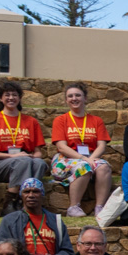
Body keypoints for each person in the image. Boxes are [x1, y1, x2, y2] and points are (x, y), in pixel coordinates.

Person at [0, 80, 47, 214]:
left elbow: (38, 152)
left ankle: (31, 200)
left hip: (25, 160)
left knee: (39, 163)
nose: (11, 98)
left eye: (14, 95)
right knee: (23, 161)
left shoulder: (31, 121)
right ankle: (11, 201)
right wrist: (13, 156)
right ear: (0, 98)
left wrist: (31, 157)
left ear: (19, 98)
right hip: (0, 163)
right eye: (7, 95)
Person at [50, 82, 113, 219]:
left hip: (90, 156)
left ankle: (100, 208)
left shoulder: (96, 120)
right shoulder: (61, 120)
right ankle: (73, 207)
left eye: (78, 95)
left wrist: (91, 158)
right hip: (66, 158)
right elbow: (61, 146)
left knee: (104, 167)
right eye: (70, 96)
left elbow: (101, 145)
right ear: (66, 100)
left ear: (85, 98)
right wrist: (84, 159)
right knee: (84, 166)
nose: (74, 98)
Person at [0, 178, 73, 255]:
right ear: (21, 195)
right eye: (26, 192)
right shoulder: (10, 221)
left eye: (36, 192)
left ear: (42, 195)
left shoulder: (56, 221)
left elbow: (68, 252)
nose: (31, 195)